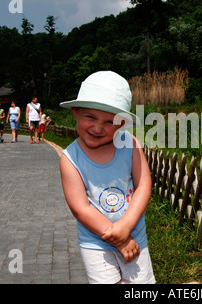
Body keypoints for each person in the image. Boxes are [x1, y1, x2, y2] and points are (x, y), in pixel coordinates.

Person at [59, 71, 155, 284]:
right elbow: (80, 208)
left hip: (134, 237)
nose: (98, 128)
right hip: (96, 242)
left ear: (121, 124)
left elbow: (144, 184)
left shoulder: (130, 144)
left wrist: (126, 227)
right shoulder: (70, 159)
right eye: (90, 117)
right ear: (76, 112)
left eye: (109, 122)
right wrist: (117, 238)